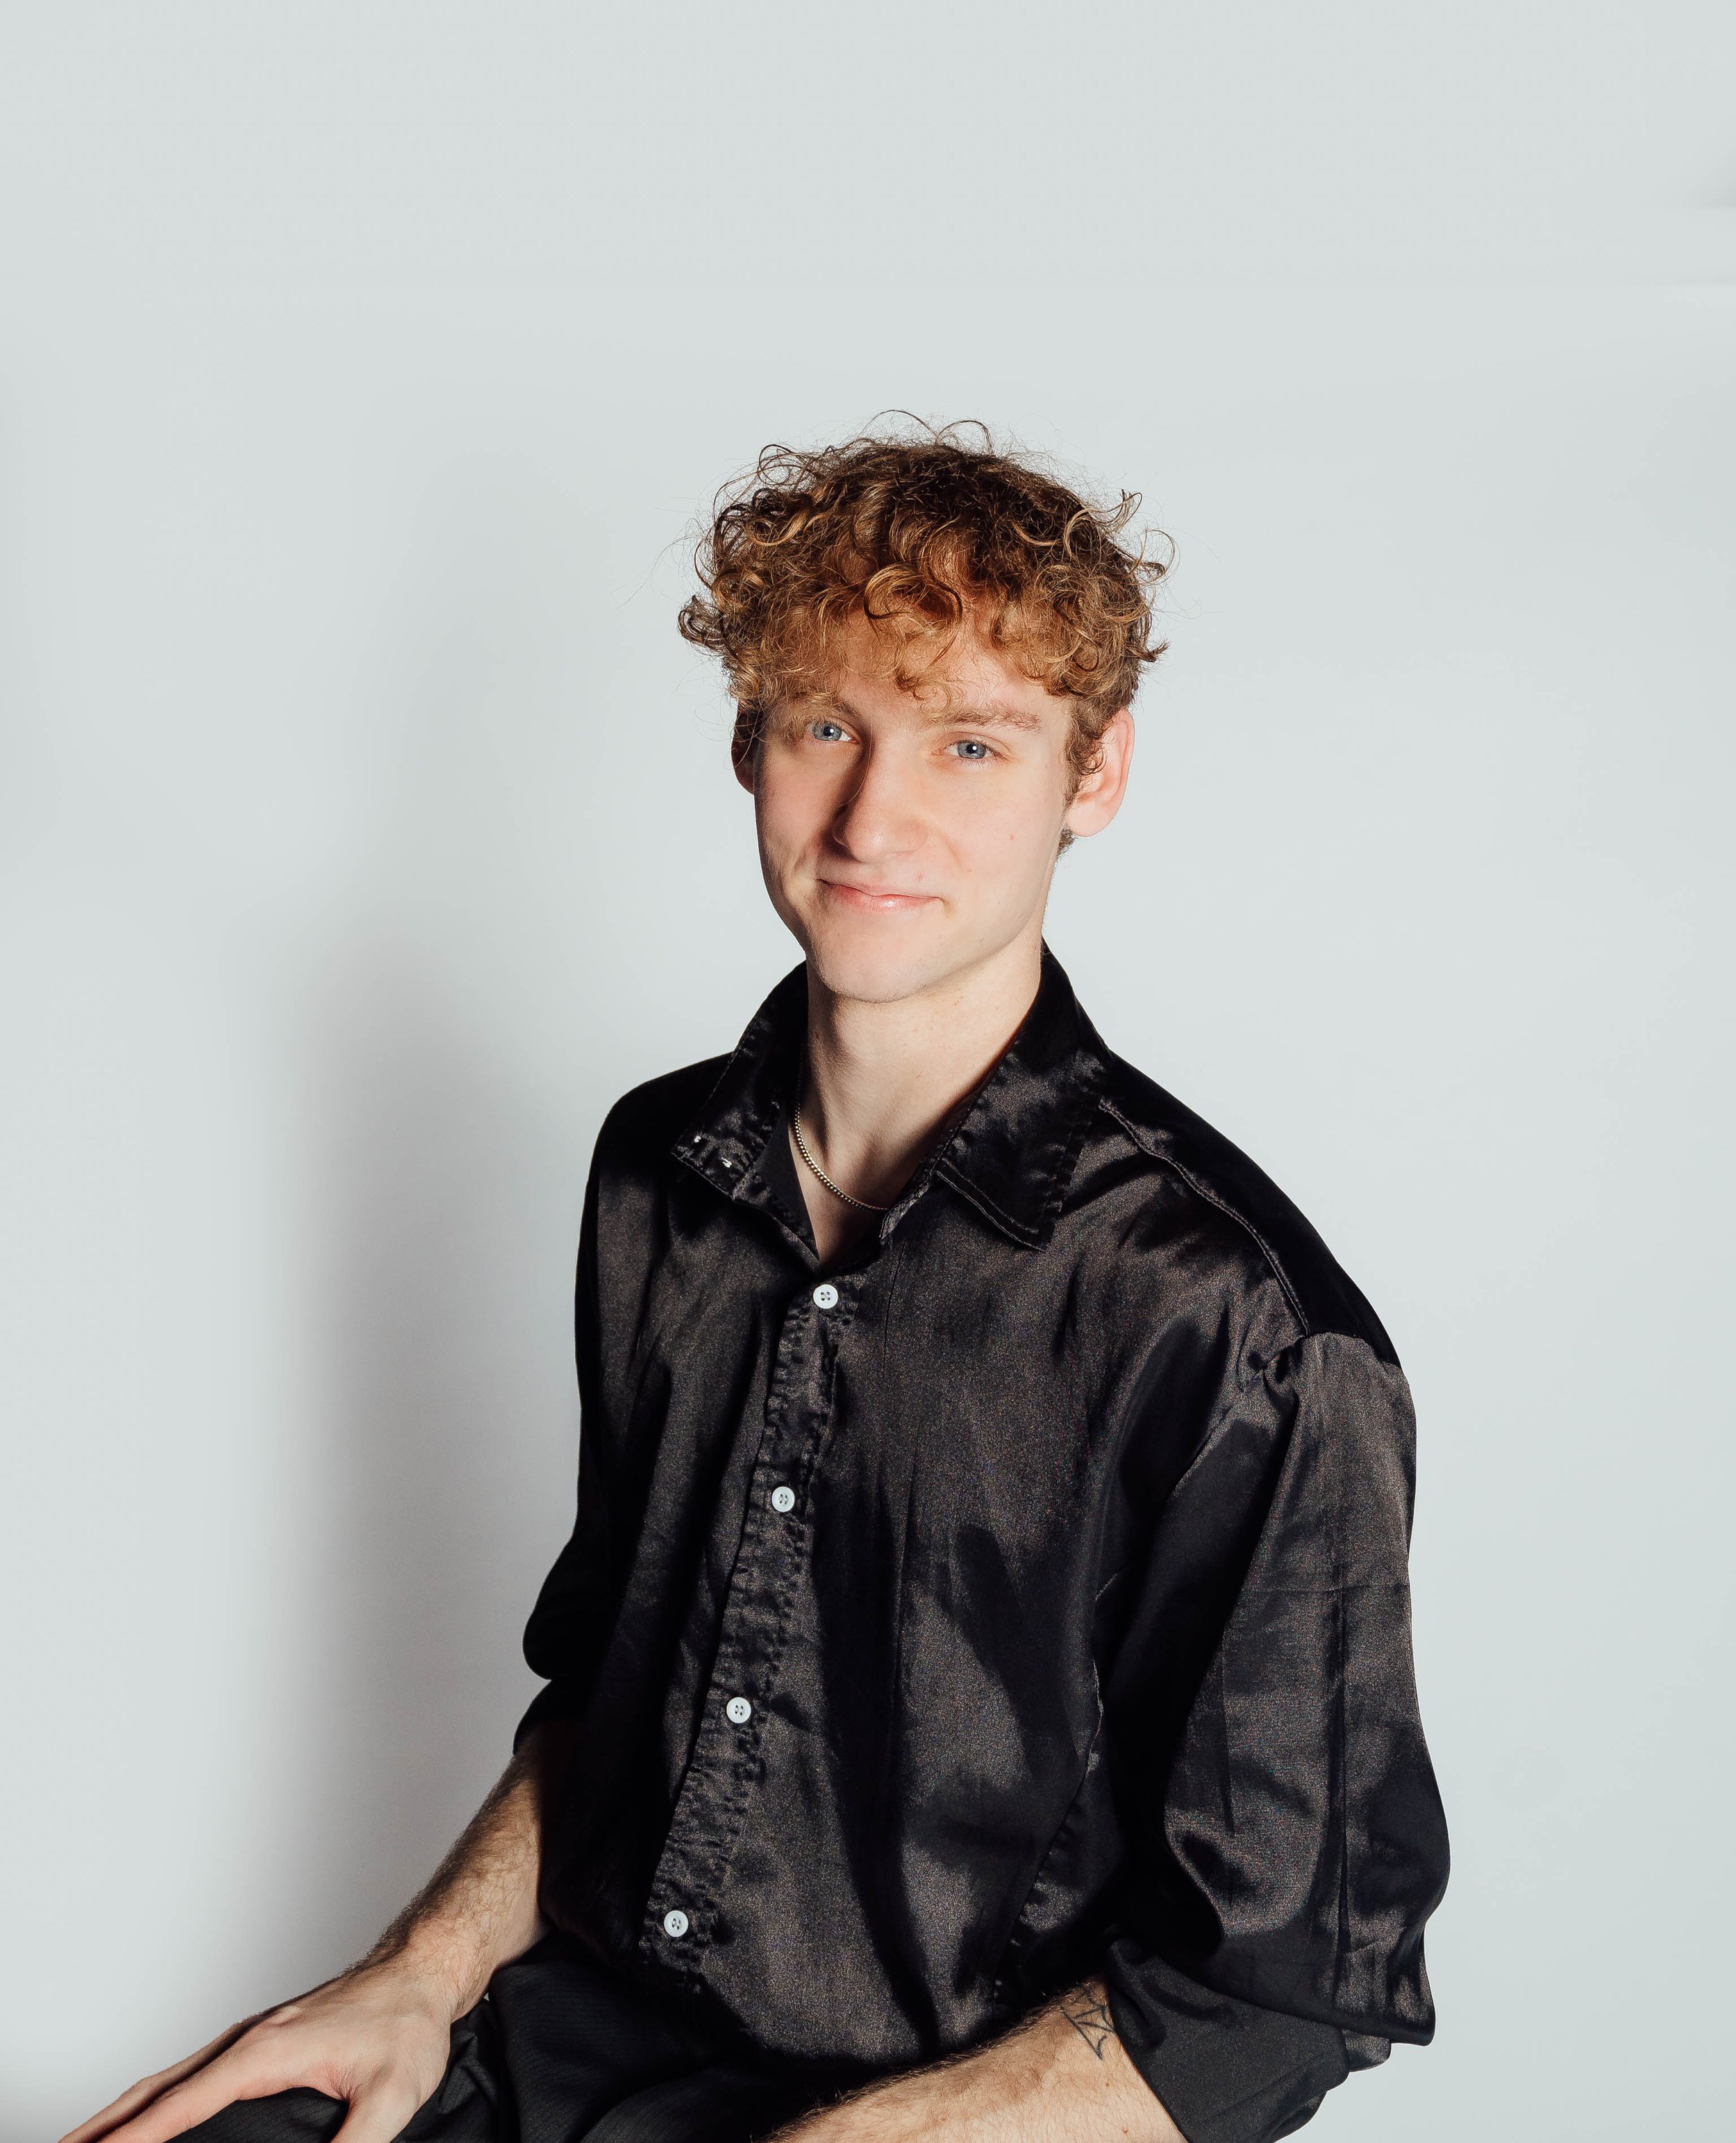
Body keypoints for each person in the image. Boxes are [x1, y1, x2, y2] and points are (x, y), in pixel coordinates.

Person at [67, 426, 1449, 2143]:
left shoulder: (1241, 1326)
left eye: (968, 740)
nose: (878, 815)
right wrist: (412, 1978)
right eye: (824, 727)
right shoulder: (655, 1172)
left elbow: (1271, 1997)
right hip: (566, 2051)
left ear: (1090, 777)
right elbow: (612, 1697)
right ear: (749, 742)